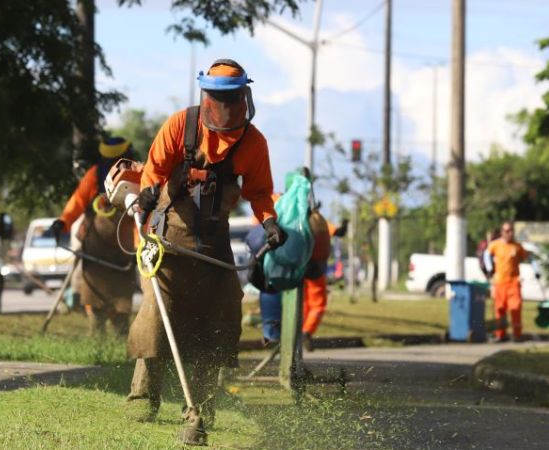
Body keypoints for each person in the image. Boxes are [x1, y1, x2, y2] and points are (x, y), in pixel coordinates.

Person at [126, 59, 286, 428]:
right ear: (207, 96)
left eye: (233, 99)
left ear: (244, 96)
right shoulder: (181, 125)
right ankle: (142, 400)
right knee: (157, 311)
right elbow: (154, 169)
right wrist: (149, 194)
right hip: (169, 237)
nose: (226, 108)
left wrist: (270, 221)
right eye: (219, 99)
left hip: (214, 242)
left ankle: (203, 405)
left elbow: (260, 193)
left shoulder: (253, 142)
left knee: (222, 310)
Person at [49, 136, 138, 336]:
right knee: (94, 297)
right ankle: (97, 338)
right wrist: (63, 222)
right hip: (96, 247)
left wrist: (140, 244)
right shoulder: (95, 174)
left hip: (124, 250)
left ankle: (120, 338)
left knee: (121, 299)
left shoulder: (138, 174)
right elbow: (78, 201)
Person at [302, 212, 348, 351]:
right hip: (315, 269)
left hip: (296, 268)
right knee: (317, 304)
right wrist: (345, 223)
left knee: (302, 302)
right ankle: (306, 332)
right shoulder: (316, 219)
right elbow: (340, 232)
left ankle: (297, 329)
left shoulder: (289, 215)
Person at [486, 221, 534, 342]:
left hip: (514, 283)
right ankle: (500, 335)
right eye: (507, 231)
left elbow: (528, 257)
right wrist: (490, 270)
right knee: (500, 309)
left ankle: (517, 335)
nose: (510, 233)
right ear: (502, 232)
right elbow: (486, 255)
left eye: (511, 231)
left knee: (516, 308)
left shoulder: (517, 246)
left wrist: (536, 270)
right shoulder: (495, 245)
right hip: (500, 283)